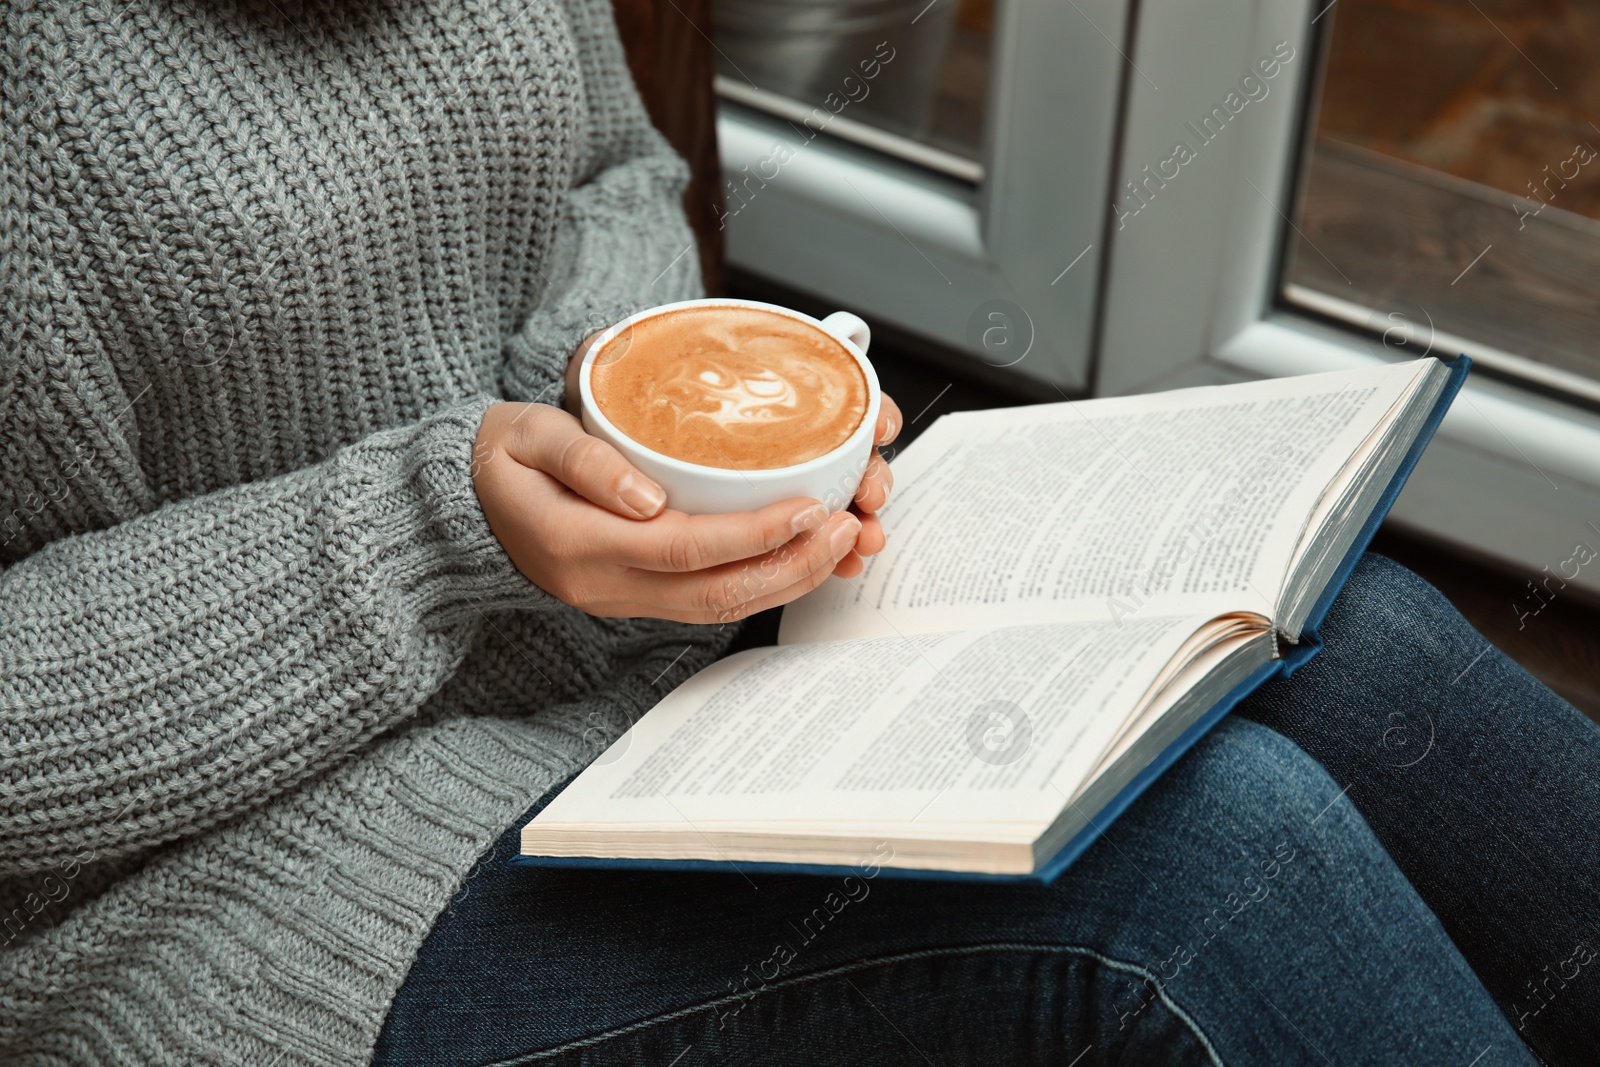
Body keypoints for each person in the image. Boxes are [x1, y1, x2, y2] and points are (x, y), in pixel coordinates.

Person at [0, 2, 1593, 1065]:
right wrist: (439, 526)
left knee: (1346, 641)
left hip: (623, 655)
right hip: (243, 863)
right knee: (1209, 855)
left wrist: (629, 419)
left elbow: (605, 172)